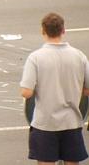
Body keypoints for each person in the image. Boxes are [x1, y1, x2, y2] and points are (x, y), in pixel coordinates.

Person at [20, 12, 89, 165]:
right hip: (71, 122)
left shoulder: (36, 58)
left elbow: (26, 92)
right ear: (63, 30)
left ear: (43, 31)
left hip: (45, 123)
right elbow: (87, 90)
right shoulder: (79, 56)